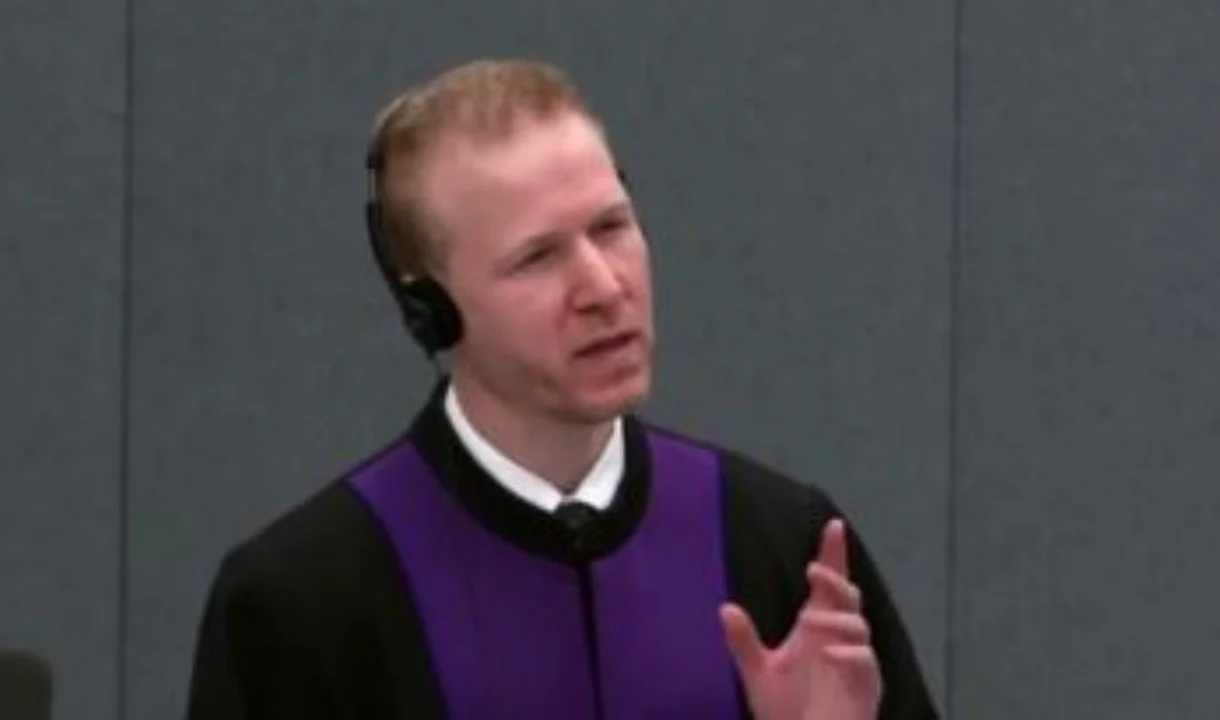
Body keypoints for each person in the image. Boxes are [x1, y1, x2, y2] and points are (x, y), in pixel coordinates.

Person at [185, 58, 939, 720]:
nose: (603, 287)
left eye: (611, 227)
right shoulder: (303, 603)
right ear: (430, 310)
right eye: (537, 258)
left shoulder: (784, 550)